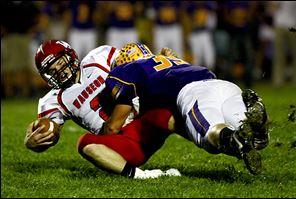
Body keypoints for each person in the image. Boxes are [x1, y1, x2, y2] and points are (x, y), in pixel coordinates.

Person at [103, 43, 270, 175]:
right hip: (223, 85)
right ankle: (258, 130)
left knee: (210, 136)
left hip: (193, 93)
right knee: (250, 137)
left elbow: (113, 126)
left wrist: (106, 141)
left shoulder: (127, 70)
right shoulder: (169, 60)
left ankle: (235, 137)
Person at [24, 40, 181, 179]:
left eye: (59, 62)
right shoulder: (51, 101)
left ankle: (204, 134)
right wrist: (33, 142)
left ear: (70, 55)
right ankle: (144, 176)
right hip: (118, 140)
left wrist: (158, 60)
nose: (58, 70)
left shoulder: (98, 57)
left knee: (176, 109)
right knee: (85, 144)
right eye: (51, 70)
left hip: (142, 119)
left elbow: (135, 64)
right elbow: (51, 131)